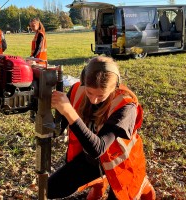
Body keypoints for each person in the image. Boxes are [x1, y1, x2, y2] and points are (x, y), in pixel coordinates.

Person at [49, 56, 156, 200]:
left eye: (101, 95)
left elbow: (98, 148)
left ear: (114, 87)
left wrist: (68, 111)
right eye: (89, 92)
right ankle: (99, 180)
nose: (93, 100)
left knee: (126, 194)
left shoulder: (125, 106)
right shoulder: (77, 90)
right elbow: (57, 129)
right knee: (49, 189)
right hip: (91, 161)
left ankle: (143, 184)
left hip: (121, 166)